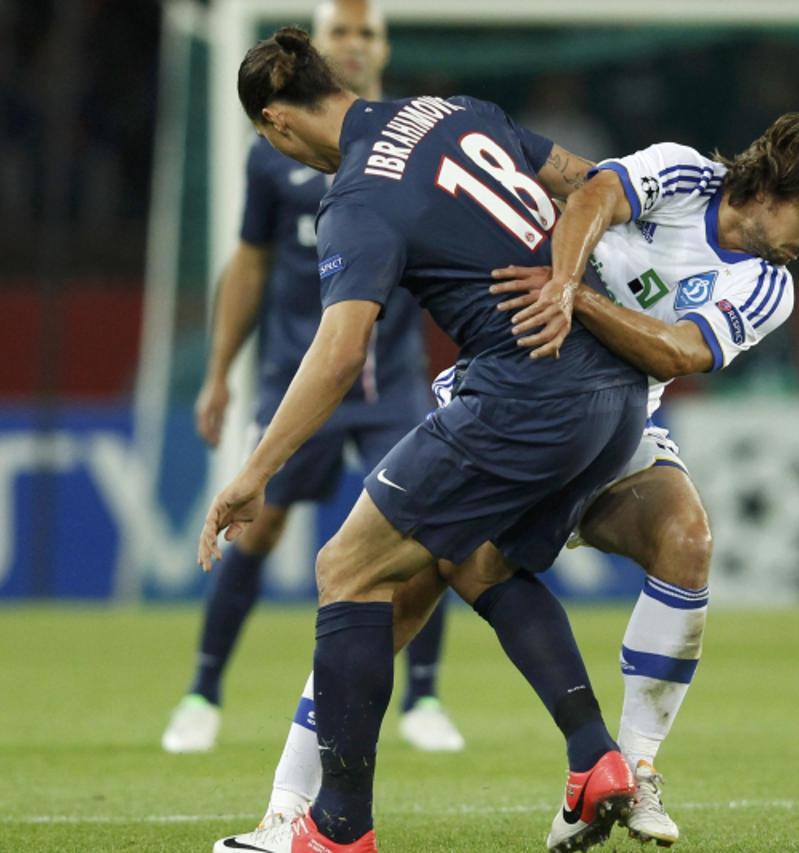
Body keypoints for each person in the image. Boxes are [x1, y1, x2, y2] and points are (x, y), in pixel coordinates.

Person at [214, 112, 799, 852]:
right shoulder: (685, 172)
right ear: (771, 186)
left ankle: (630, 764)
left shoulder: (767, 286)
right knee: (396, 598)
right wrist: (562, 282)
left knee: (685, 538)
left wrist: (579, 300)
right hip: (528, 399)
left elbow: (681, 353)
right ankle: (288, 803)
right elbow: (593, 195)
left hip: (614, 422)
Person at [200, 25, 649, 853]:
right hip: (618, 385)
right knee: (476, 558)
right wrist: (569, 283)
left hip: (525, 395)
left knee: (345, 567)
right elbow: (593, 183)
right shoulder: (456, 108)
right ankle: (596, 757)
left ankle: (335, 829)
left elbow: (338, 355)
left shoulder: (358, 196)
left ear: (276, 124)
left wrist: (253, 471)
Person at [162, 1, 464, 760]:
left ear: (383, 46)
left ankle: (423, 698)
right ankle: (202, 691)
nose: (355, 45)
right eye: (341, 33)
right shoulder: (276, 153)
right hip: (299, 375)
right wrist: (218, 373)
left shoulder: (414, 142)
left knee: (432, 535)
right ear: (319, 50)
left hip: (391, 383)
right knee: (254, 525)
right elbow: (252, 263)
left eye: (368, 33)